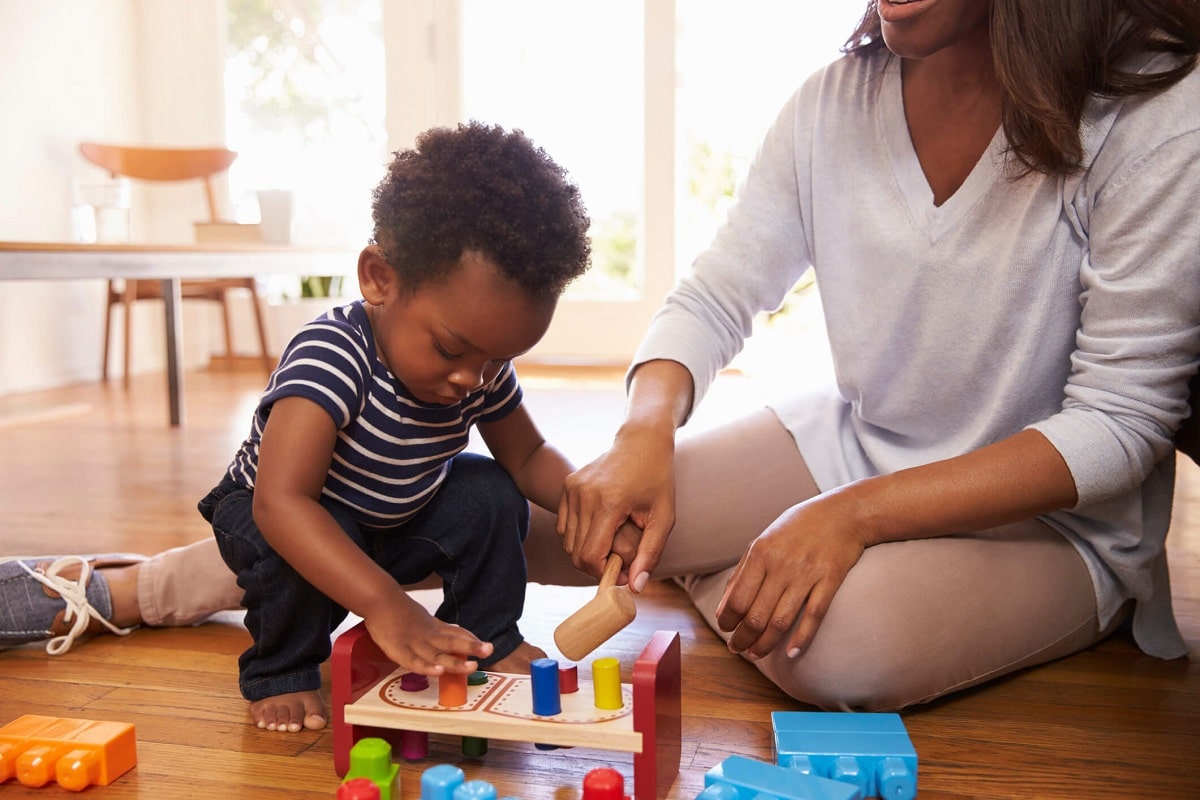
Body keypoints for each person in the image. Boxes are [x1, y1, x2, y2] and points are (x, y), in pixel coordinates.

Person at [5, 0, 1199, 715]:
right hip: (847, 441)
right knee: (542, 519)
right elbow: (719, 291)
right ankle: (125, 585)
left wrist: (853, 518)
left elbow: (1124, 420)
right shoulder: (837, 99)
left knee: (830, 644)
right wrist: (645, 432)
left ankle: (767, 568)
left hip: (1044, 519)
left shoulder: (1146, 108)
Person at [1, 120, 593, 733]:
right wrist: (386, 605)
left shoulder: (478, 367)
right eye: (451, 350)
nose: (475, 378)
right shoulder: (332, 356)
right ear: (378, 278)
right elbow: (280, 504)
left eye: (498, 358)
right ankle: (280, 670)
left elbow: (527, 458)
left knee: (489, 491)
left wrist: (587, 499)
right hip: (277, 513)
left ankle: (487, 636)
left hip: (390, 515)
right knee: (306, 537)